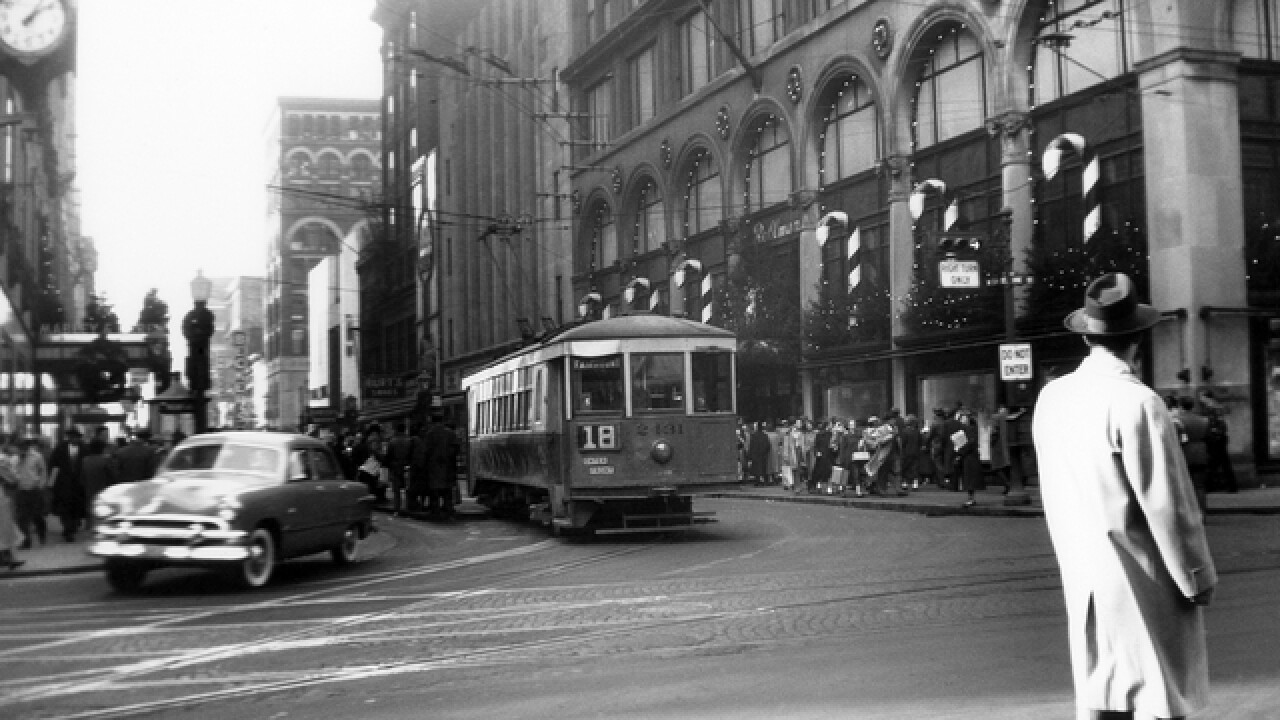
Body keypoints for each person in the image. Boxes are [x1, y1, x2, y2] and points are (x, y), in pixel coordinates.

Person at [1032, 272, 1216, 720]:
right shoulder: (1138, 403)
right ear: (1139, 339)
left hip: (1084, 574)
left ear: (1087, 338)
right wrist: (1197, 576)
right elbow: (1168, 505)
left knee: (1103, 696)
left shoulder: (1053, 398)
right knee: (1155, 696)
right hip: (1141, 576)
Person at [1172, 396, 1210, 515]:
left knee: (1183, 486)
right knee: (1199, 486)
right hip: (1200, 453)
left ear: (1180, 406)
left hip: (1184, 453)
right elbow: (1208, 438)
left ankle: (1188, 513)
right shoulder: (1204, 420)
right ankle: (1201, 512)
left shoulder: (1177, 420)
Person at [47, 427, 86, 543]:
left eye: (76, 436)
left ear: (79, 437)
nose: (73, 438)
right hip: (63, 484)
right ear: (68, 437)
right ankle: (68, 529)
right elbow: (53, 466)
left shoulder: (84, 449)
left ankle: (72, 526)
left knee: (76, 507)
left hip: (79, 484)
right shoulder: (60, 449)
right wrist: (51, 483)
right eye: (71, 436)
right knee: (65, 508)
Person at [418, 413, 460, 517]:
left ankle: (435, 510)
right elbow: (456, 449)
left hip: (433, 466)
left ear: (432, 421)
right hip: (447, 466)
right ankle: (448, 508)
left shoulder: (430, 434)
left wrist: (424, 465)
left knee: (434, 490)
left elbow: (426, 451)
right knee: (447, 489)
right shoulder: (451, 433)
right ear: (442, 421)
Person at [13, 438, 47, 548]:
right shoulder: (14, 458)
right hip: (21, 490)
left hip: (34, 489)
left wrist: (41, 485)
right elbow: (12, 472)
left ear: (28, 447)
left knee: (37, 515)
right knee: (22, 517)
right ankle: (26, 541)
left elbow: (43, 471)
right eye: (19, 447)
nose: (21, 449)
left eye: (23, 447)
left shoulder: (37, 456)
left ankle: (42, 533)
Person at [383, 422, 418, 515]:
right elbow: (412, 454)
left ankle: (397, 509)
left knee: (396, 490)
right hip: (406, 466)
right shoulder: (409, 440)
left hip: (395, 466)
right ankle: (407, 507)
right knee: (407, 488)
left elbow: (388, 455)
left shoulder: (392, 441)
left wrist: (388, 464)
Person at [1203, 403, 1237, 493]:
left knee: (1214, 468)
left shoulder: (1215, 423)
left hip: (1217, 447)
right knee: (1222, 468)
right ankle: (1230, 486)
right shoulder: (1217, 422)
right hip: (1219, 447)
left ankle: (1210, 487)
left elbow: (1217, 434)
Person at [0, 442, 24, 570]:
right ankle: (10, 559)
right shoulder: (2, 460)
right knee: (6, 528)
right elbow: (12, 478)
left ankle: (7, 558)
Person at [953, 410, 982, 507]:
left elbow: (969, 443)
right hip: (969, 455)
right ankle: (971, 498)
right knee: (969, 477)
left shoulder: (968, 428)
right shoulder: (969, 428)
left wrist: (960, 452)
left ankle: (971, 499)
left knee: (969, 477)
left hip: (969, 456)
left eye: (962, 417)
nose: (961, 419)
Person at [746, 422, 771, 487]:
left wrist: (750, 455)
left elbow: (751, 446)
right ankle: (765, 481)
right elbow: (768, 445)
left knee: (756, 468)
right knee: (763, 468)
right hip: (763, 454)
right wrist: (765, 452)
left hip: (755, 455)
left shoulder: (753, 436)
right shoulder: (765, 435)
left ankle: (757, 481)